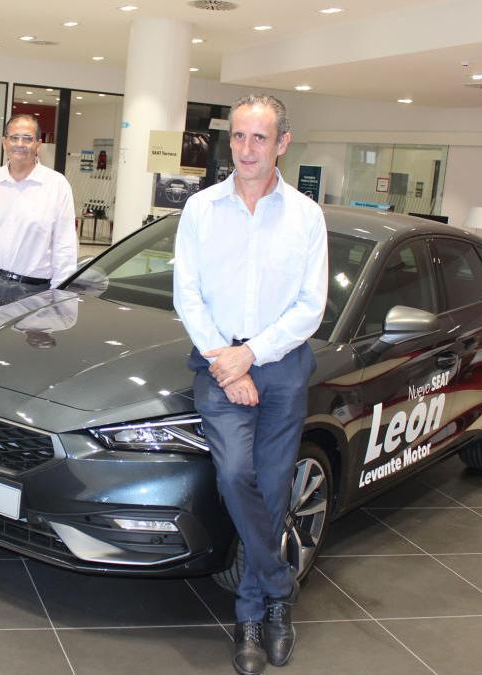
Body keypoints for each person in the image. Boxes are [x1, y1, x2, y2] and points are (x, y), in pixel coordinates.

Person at [172, 95, 327, 675]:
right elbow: (186, 293)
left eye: (259, 138)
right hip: (217, 361)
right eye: (238, 137)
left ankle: (253, 614)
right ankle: (281, 586)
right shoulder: (201, 209)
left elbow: (310, 306)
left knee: (275, 486)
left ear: (283, 143)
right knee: (236, 474)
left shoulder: (306, 216)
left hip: (282, 365)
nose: (246, 149)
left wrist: (253, 355)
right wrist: (226, 360)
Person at [0, 114, 77, 311]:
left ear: (38, 145)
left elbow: (65, 248)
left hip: (31, 293)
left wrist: (59, 298)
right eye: (14, 137)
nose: (20, 144)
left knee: (18, 344)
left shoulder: (56, 185)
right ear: (4, 143)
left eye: (27, 138)